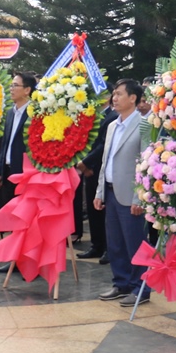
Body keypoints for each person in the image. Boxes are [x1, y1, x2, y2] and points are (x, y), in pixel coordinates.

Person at [94, 79, 149, 307]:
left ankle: (140, 289)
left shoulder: (145, 125)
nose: (114, 98)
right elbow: (106, 161)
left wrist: (140, 196)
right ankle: (121, 283)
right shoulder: (112, 126)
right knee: (115, 242)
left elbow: (147, 164)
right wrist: (99, 192)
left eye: (118, 94)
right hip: (110, 190)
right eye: (113, 94)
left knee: (135, 243)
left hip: (131, 194)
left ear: (133, 98)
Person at [0, 72, 35, 250]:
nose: (11, 89)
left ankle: (22, 255)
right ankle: (13, 254)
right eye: (11, 85)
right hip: (8, 172)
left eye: (16, 85)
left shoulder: (34, 113)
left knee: (23, 217)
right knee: (10, 215)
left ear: (27, 90)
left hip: (24, 174)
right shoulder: (10, 113)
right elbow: (5, 144)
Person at [76, 87, 117, 262]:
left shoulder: (112, 117)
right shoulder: (91, 115)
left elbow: (102, 146)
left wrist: (86, 163)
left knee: (105, 211)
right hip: (89, 169)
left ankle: (108, 248)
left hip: (99, 167)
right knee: (94, 210)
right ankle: (96, 245)